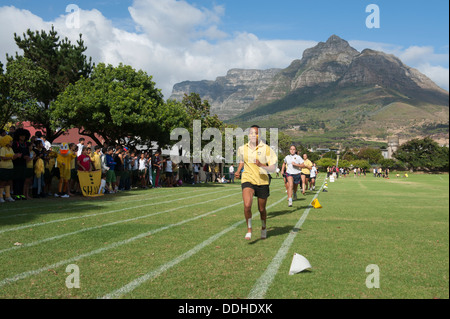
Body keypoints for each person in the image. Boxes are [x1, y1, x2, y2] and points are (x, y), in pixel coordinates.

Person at [235, 125, 278, 240]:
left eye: (256, 133)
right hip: (248, 179)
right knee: (247, 205)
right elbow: (241, 161)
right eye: (251, 133)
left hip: (263, 181)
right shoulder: (242, 148)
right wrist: (238, 171)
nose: (253, 135)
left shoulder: (267, 149)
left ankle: (264, 227)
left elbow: (273, 168)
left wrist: (261, 165)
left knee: (262, 209)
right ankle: (249, 229)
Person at [0, 135, 20, 203]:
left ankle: (8, 196)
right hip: (4, 167)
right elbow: (2, 157)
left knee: (8, 182)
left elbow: (13, 157)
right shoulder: (3, 149)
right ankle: (0, 196)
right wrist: (11, 157)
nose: (12, 142)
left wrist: (17, 156)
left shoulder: (11, 149)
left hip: (10, 167)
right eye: (10, 141)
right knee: (3, 182)